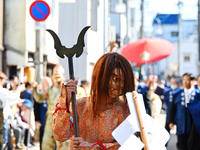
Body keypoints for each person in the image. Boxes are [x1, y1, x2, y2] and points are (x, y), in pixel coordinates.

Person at [52, 52, 135, 149]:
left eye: (124, 81)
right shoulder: (79, 106)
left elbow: (129, 145)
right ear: (100, 76)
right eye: (116, 79)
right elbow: (60, 135)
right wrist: (64, 103)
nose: (120, 85)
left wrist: (90, 146)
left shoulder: (125, 110)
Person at [33, 64, 69, 150]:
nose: (57, 76)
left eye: (58, 74)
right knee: (46, 145)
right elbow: (39, 98)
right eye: (54, 74)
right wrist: (35, 89)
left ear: (64, 76)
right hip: (50, 120)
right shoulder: (49, 89)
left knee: (65, 145)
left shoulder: (68, 89)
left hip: (64, 119)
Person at [169, 73, 200, 150]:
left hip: (194, 126)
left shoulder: (198, 94)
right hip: (181, 124)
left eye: (187, 80)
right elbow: (173, 108)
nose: (185, 82)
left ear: (193, 81)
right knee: (181, 145)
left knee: (193, 145)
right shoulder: (177, 94)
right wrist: (171, 121)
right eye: (184, 80)